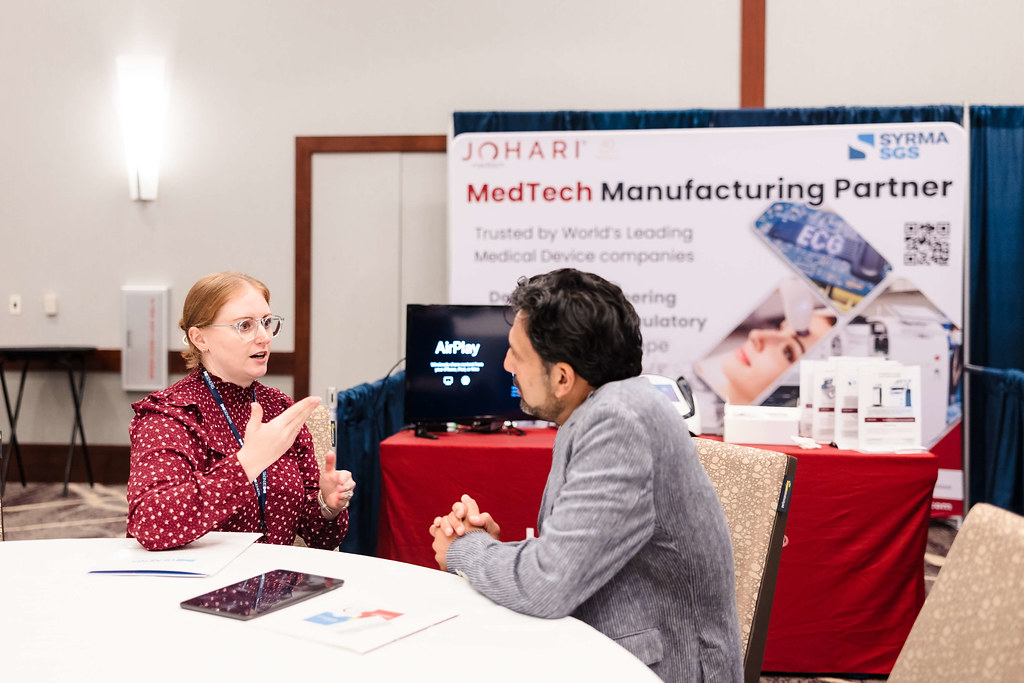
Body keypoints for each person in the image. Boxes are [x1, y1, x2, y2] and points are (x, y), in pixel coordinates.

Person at [428, 268, 742, 682]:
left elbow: (548, 585)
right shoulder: (601, 408)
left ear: (562, 377)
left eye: (517, 354)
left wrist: (465, 549)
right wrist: (496, 549)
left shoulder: (619, 422)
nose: (506, 364)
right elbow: (577, 555)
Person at [127, 271, 354, 551]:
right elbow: (149, 524)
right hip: (198, 578)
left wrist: (327, 505)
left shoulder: (280, 408)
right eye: (245, 325)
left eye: (267, 323)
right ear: (199, 338)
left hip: (272, 576)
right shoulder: (172, 414)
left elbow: (319, 538)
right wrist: (247, 462)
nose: (264, 337)